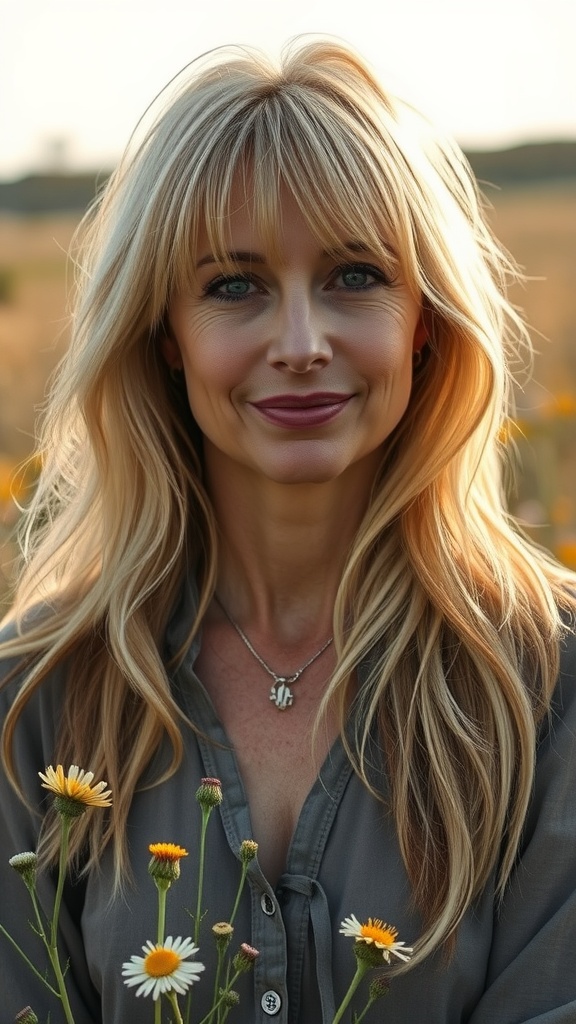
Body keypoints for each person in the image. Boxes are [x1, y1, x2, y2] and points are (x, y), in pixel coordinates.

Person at [1, 36, 575, 1024]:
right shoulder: (35, 697)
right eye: (235, 286)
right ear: (163, 335)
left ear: (424, 321)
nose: (303, 344)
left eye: (355, 276)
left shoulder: (548, 687)